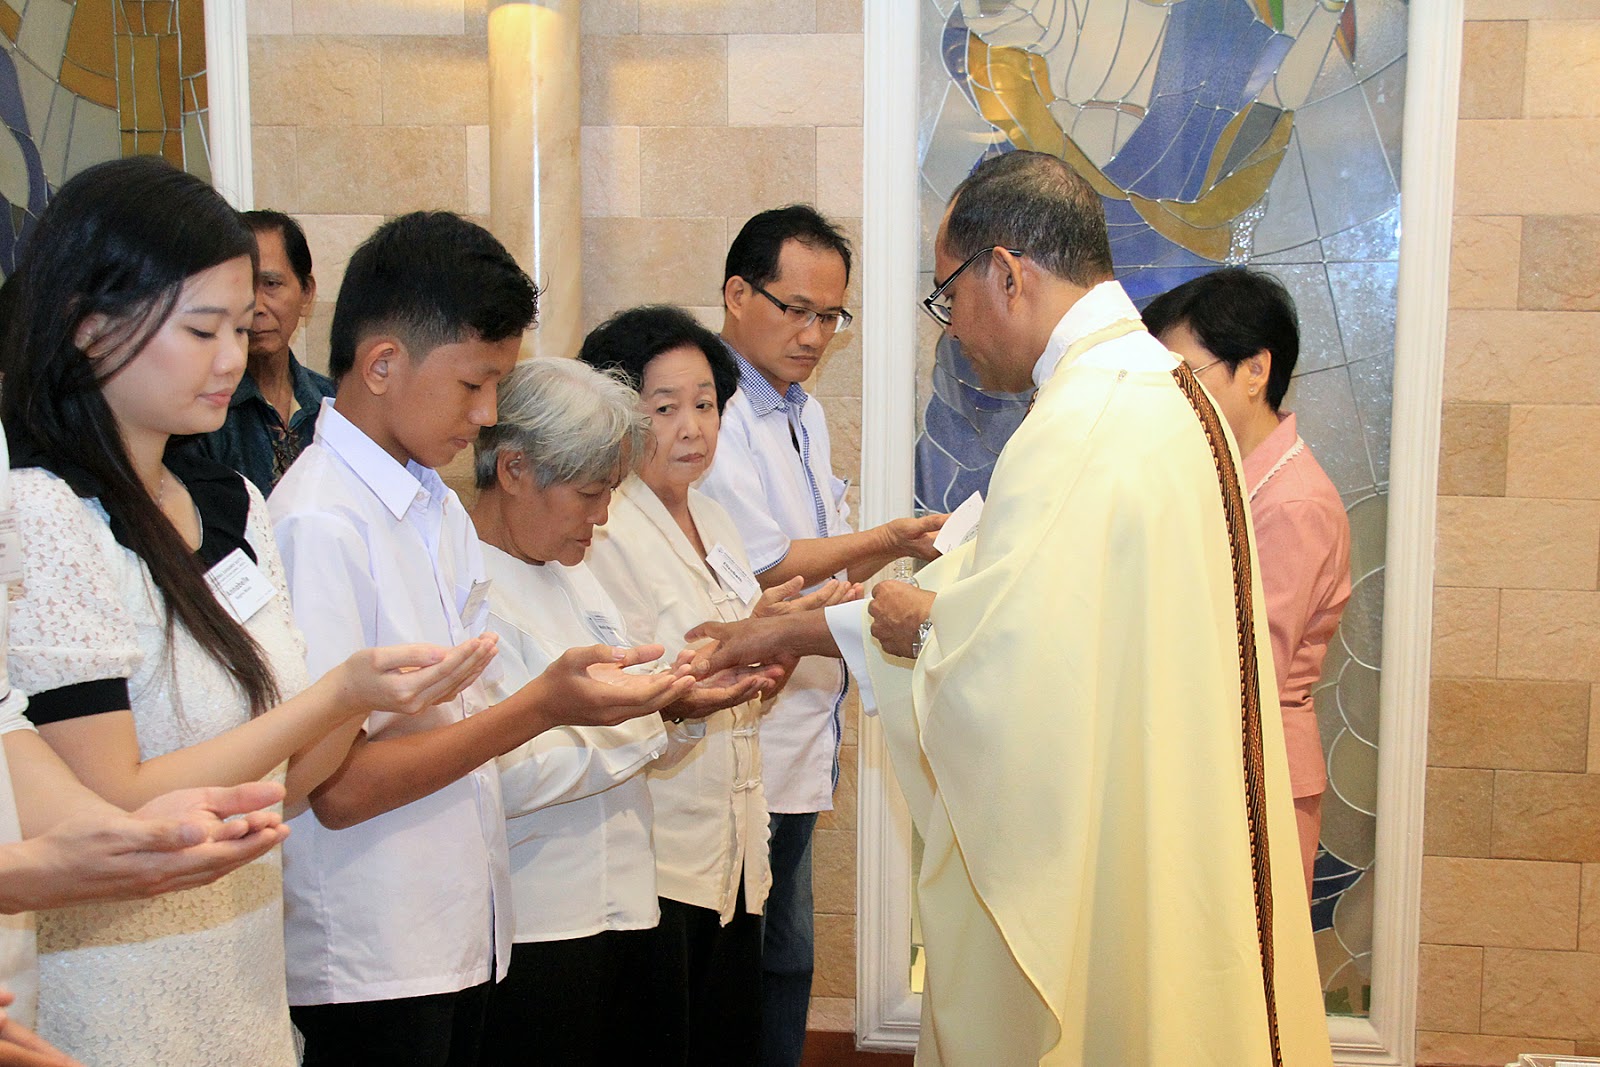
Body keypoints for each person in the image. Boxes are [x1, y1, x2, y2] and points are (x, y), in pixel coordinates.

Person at [688, 151, 1332, 1066]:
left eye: (949, 296)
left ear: (1007, 273)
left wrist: (920, 625)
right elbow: (1039, 613)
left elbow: (1011, 666)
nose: (952, 329)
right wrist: (806, 627)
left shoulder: (1085, 420)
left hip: (1112, 824)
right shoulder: (1160, 391)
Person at [0, 157, 497, 1066]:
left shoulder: (233, 500)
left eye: (241, 326)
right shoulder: (43, 511)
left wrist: (358, 700)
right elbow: (116, 811)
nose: (232, 359)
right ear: (88, 326)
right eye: (201, 329)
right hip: (121, 993)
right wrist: (341, 693)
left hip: (246, 977)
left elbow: (290, 786)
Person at [269, 212, 700, 1067]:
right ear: (382, 364)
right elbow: (335, 787)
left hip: (463, 935)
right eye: (474, 382)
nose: (488, 413)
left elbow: (451, 725)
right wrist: (544, 707)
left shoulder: (431, 508)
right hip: (372, 953)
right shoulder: (321, 521)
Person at [467, 354, 780, 1066]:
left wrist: (673, 706)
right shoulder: (466, 587)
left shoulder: (572, 577)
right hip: (537, 922)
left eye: (611, 492)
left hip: (630, 904)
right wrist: (640, 728)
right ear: (513, 469)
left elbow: (624, 713)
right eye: (589, 493)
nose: (603, 517)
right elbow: (497, 771)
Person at [697, 206, 944, 1064]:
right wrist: (891, 536)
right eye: (795, 309)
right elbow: (769, 561)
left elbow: (817, 551)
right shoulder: (715, 411)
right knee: (750, 958)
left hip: (804, 721)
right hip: (747, 721)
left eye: (831, 316)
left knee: (786, 954)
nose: (813, 335)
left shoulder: (801, 411)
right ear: (737, 293)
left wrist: (879, 558)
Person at [579, 306, 857, 1064]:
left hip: (734, 848)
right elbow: (627, 684)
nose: (692, 428)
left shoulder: (716, 518)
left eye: (705, 405)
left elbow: (736, 667)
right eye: (665, 407)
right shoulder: (602, 528)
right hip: (657, 853)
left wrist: (777, 636)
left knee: (730, 1035)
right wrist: (737, 650)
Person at [1142, 268, 1352, 899]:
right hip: (1220, 764)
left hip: (1259, 778)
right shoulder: (1229, 473)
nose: (1173, 397)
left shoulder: (1292, 502)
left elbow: (1250, 667)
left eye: (1186, 376)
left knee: (1255, 959)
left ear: (1255, 370)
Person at [194, 210, 334, 494]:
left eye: (271, 284)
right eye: (244, 286)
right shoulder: (203, 410)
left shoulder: (334, 403)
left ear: (306, 293)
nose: (256, 307)